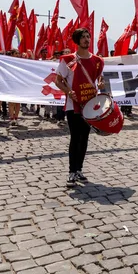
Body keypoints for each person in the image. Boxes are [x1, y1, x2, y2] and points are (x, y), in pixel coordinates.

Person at [55, 28, 106, 187]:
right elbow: (58, 80)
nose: (86, 39)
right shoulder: (68, 59)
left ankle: (79, 170)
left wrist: (100, 83)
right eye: (83, 37)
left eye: (88, 37)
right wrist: (68, 92)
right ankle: (71, 171)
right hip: (73, 105)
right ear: (77, 41)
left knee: (84, 138)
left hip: (90, 105)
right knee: (75, 138)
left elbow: (99, 78)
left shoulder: (97, 60)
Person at [7, 49, 22, 126]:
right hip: (10, 83)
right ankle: (11, 118)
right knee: (11, 102)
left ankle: (16, 117)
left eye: (18, 53)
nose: (17, 55)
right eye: (16, 53)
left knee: (18, 102)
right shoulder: (8, 62)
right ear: (12, 54)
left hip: (18, 84)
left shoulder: (20, 62)